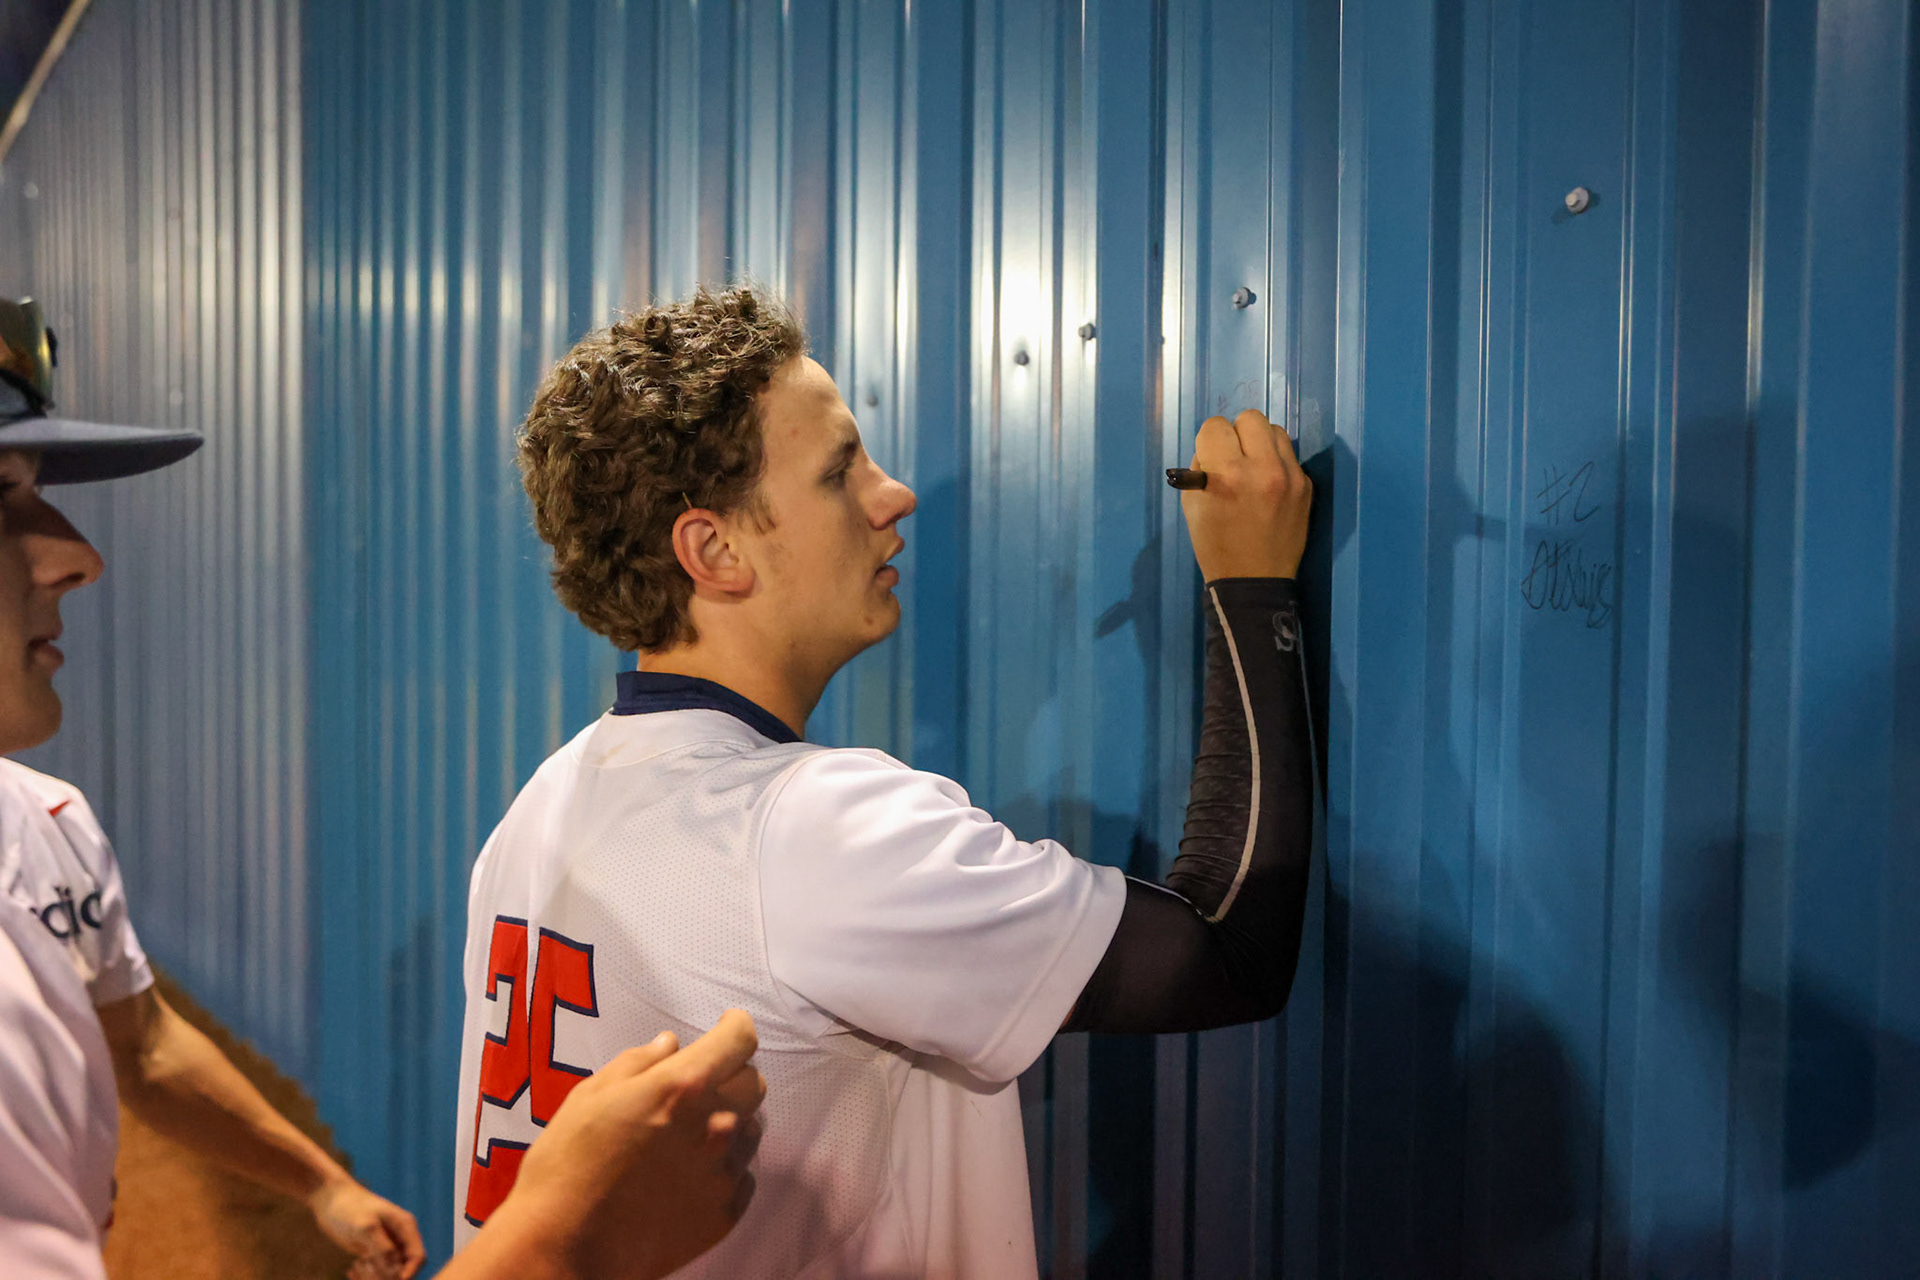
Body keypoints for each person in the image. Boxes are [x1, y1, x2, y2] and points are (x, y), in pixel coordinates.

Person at [453, 284, 1316, 1277]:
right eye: (838, 471)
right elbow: (1231, 950)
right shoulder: (816, 828)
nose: (893, 493)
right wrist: (1253, 587)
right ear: (714, 548)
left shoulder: (541, 807)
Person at [0, 296, 764, 1280]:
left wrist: (319, 1179)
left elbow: (140, 1041)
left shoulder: (44, 822)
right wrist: (567, 1238)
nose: (77, 555)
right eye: (2, 495)